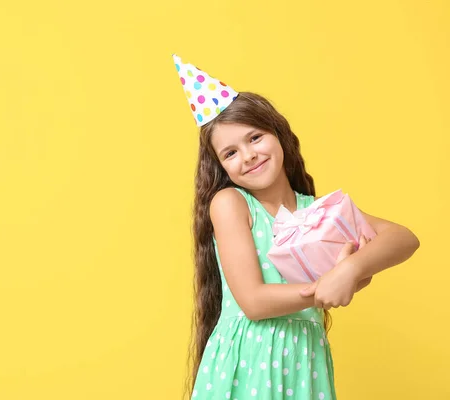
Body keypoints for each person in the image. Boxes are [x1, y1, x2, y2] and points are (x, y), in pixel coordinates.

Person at [172, 54, 420, 399]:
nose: (248, 155)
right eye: (230, 153)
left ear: (279, 134)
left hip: (305, 360)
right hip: (249, 362)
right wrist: (324, 287)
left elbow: (403, 238)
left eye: (255, 138)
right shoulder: (232, 204)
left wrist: (351, 268)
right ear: (221, 167)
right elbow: (254, 301)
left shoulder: (317, 212)